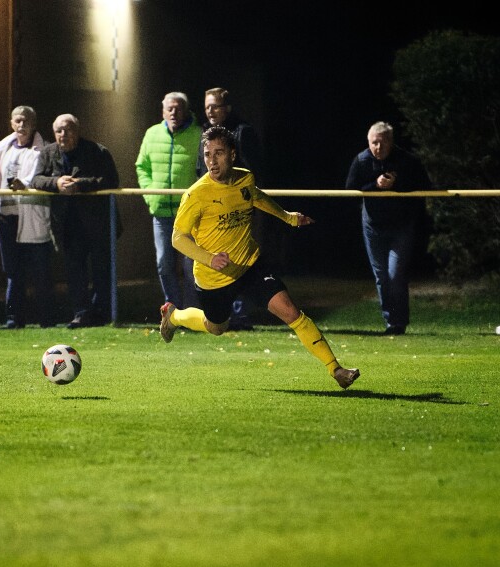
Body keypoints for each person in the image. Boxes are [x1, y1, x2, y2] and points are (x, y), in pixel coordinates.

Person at [159, 125, 360, 390]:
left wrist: (288, 217)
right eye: (207, 154)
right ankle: (174, 317)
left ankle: (336, 369)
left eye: (218, 153)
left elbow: (256, 198)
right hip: (214, 278)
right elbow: (178, 238)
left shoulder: (245, 179)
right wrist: (209, 259)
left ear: (232, 154)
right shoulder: (196, 195)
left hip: (251, 266)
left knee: (291, 312)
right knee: (216, 327)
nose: (212, 160)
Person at [32, 114, 120, 329]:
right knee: (75, 271)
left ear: (77, 131)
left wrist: (80, 184)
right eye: (59, 131)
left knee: (101, 269)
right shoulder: (48, 153)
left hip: (97, 222)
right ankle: (81, 313)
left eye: (68, 130)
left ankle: (102, 313)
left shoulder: (97, 151)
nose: (64, 135)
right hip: (67, 224)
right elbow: (36, 179)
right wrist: (57, 183)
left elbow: (111, 180)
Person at [345, 121, 432, 335]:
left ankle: (399, 321)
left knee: (395, 274)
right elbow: (350, 189)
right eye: (374, 143)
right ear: (368, 142)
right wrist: (375, 185)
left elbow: (425, 186)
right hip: (373, 226)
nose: (378, 148)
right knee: (381, 276)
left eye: (382, 143)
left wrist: (397, 186)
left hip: (401, 225)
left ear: (391, 142)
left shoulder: (407, 161)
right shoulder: (361, 161)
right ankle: (391, 322)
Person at [195, 87, 266, 331]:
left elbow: (253, 171)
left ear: (227, 108)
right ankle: (221, 313)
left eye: (215, 106)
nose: (211, 111)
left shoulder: (242, 132)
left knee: (239, 259)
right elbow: (199, 170)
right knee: (214, 260)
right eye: (207, 107)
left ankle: (241, 314)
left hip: (237, 209)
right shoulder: (205, 133)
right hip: (211, 211)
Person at [0, 105, 54, 329]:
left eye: (26, 121)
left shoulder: (44, 150)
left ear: (34, 124)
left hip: (32, 217)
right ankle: (14, 319)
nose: (21, 125)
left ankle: (46, 319)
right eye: (17, 121)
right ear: (11, 123)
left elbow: (46, 180)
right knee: (13, 271)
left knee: (39, 270)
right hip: (6, 218)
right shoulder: (2, 149)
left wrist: (27, 186)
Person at [135, 91, 202, 310]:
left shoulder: (198, 135)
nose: (174, 112)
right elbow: (141, 167)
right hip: (161, 212)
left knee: (190, 264)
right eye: (169, 108)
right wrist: (149, 194)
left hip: (189, 213)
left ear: (186, 110)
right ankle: (173, 310)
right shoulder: (152, 134)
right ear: (163, 111)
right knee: (164, 263)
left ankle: (193, 312)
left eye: (178, 108)